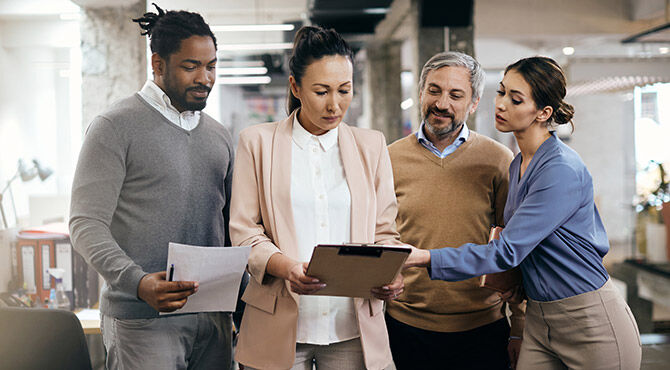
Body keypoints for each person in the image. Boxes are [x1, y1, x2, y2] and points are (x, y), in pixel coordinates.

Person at [405, 56, 641, 370]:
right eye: (501, 93)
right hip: (541, 318)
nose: (501, 104)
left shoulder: (560, 169)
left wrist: (424, 257)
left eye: (516, 99)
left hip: (589, 319)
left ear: (543, 113)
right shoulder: (517, 163)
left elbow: (507, 250)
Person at [69, 4, 235, 369]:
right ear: (157, 64)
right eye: (190, 67)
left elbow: (235, 224)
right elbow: (84, 224)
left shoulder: (220, 137)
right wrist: (138, 282)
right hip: (141, 319)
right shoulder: (114, 126)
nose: (204, 78)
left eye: (211, 66)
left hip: (214, 320)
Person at [230, 26, 404, 370]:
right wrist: (288, 268)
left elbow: (385, 233)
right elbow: (244, 233)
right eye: (321, 91)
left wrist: (392, 273)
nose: (335, 104)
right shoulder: (257, 143)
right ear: (295, 87)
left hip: (352, 328)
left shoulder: (371, 146)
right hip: (278, 323)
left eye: (345, 90)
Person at [386, 51, 525, 370]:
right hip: (405, 328)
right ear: (420, 93)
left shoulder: (497, 160)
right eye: (433, 90)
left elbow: (515, 249)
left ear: (474, 102)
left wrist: (519, 326)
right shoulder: (388, 159)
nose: (442, 103)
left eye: (456, 95)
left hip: (483, 331)